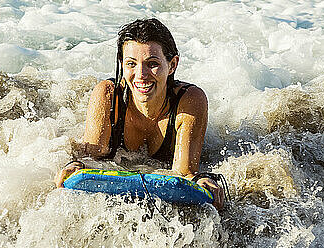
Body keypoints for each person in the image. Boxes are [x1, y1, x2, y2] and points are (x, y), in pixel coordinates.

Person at [55, 18, 224, 210]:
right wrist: (73, 166)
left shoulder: (190, 100)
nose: (141, 74)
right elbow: (91, 160)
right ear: (122, 64)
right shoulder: (108, 95)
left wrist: (202, 179)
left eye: (152, 63)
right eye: (131, 64)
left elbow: (184, 173)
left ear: (173, 65)